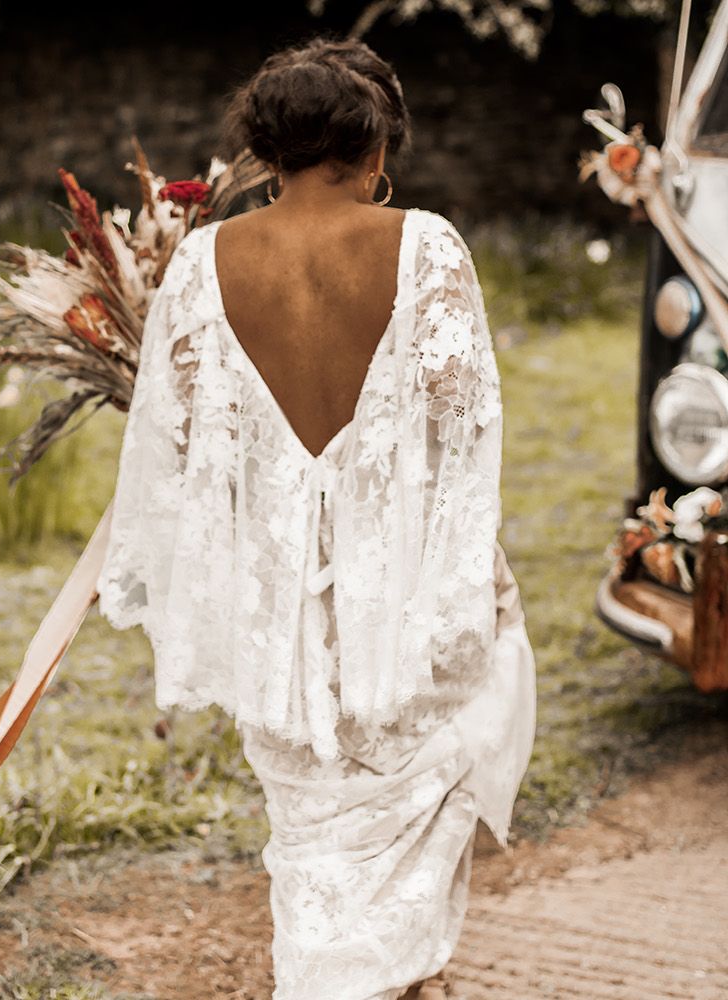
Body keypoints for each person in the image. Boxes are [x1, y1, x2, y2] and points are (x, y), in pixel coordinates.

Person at [95, 35, 537, 1000]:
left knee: (310, 845)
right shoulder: (425, 248)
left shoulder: (203, 265)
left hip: (278, 628)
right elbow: (461, 440)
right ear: (375, 149)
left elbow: (177, 447)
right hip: (399, 601)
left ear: (264, 152)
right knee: (406, 828)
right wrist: (473, 585)